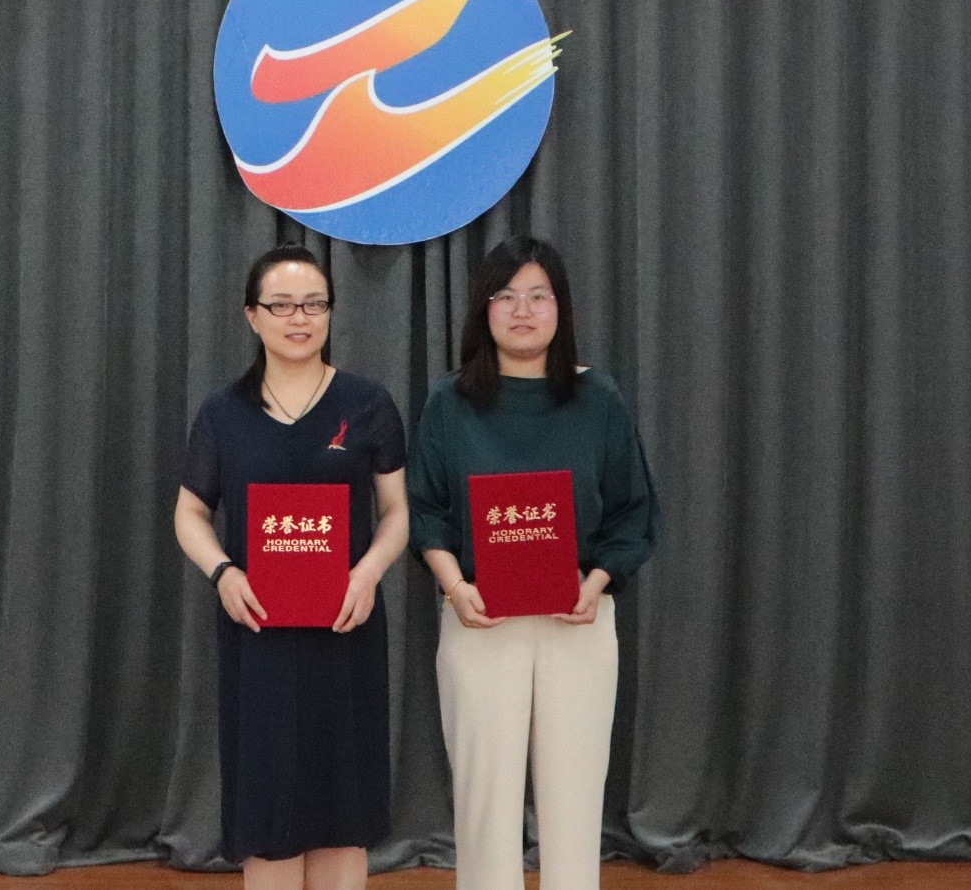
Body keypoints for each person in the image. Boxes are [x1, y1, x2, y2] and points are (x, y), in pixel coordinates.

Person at [408, 236, 659, 890]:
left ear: (560, 308)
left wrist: (596, 580)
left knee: (575, 799)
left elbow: (632, 509)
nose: (522, 311)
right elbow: (424, 507)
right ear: (483, 309)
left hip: (577, 620)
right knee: (484, 801)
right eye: (506, 295)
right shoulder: (449, 402)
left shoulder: (598, 398)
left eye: (538, 296)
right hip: (479, 619)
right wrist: (454, 585)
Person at [174, 246, 411, 890]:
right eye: (281, 305)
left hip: (346, 626)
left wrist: (368, 572)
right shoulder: (223, 413)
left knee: (342, 809)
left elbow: (396, 512)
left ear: (331, 312)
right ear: (252, 316)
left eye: (313, 304)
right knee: (269, 806)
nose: (299, 318)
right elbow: (189, 513)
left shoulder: (367, 404)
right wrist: (224, 573)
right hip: (259, 633)